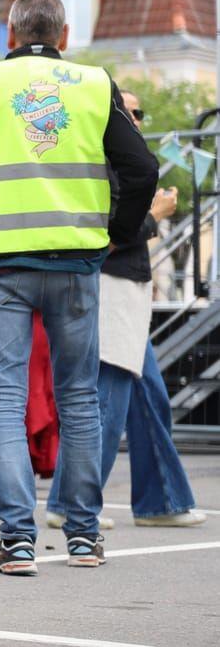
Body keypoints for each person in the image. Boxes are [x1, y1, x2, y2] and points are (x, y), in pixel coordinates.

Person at [0, 0, 158, 575]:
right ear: (64, 38)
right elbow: (142, 168)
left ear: (8, 36)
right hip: (77, 261)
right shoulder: (92, 84)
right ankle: (83, 537)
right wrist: (118, 230)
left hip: (0, 262)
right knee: (79, 395)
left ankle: (18, 541)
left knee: (4, 397)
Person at [46, 91, 206, 529]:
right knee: (105, 401)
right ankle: (70, 502)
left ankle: (163, 501)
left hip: (127, 292)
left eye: (138, 112)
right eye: (129, 111)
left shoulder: (122, 162)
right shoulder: (101, 165)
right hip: (109, 287)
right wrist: (154, 215)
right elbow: (106, 236)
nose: (136, 119)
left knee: (149, 399)